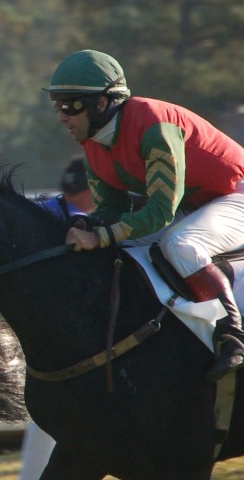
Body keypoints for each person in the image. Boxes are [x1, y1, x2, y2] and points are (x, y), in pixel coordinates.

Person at [45, 49, 244, 380]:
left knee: (181, 244)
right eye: (58, 105)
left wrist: (98, 235)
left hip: (234, 196)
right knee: (122, 249)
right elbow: (113, 211)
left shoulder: (155, 125)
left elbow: (160, 213)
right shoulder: (93, 143)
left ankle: (232, 337)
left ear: (103, 103)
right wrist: (88, 225)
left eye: (70, 105)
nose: (62, 116)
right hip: (196, 206)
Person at [18, 158, 93, 480]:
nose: (76, 201)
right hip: (66, 328)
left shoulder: (117, 209)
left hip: (98, 325)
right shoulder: (48, 211)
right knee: (48, 409)